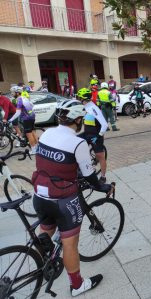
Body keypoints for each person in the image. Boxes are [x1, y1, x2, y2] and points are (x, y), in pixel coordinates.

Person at [32, 99, 110, 297]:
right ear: (77, 119)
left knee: (46, 230)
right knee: (70, 243)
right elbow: (89, 175)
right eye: (81, 119)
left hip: (40, 194)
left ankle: (43, 266)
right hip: (63, 200)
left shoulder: (47, 133)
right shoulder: (78, 142)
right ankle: (77, 285)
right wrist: (102, 186)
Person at [76, 88, 109, 183]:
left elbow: (105, 125)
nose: (78, 99)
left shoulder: (93, 108)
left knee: (100, 156)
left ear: (84, 99)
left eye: (79, 98)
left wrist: (99, 136)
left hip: (96, 135)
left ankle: (103, 176)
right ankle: (80, 171)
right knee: (75, 145)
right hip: (87, 134)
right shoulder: (84, 107)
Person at [8, 86, 38, 154]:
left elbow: (18, 112)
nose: (12, 94)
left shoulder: (19, 100)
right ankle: (38, 147)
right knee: (33, 132)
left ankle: (33, 150)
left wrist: (10, 120)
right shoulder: (24, 97)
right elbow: (32, 105)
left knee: (29, 134)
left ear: (17, 93)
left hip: (26, 118)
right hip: (32, 116)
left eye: (13, 92)